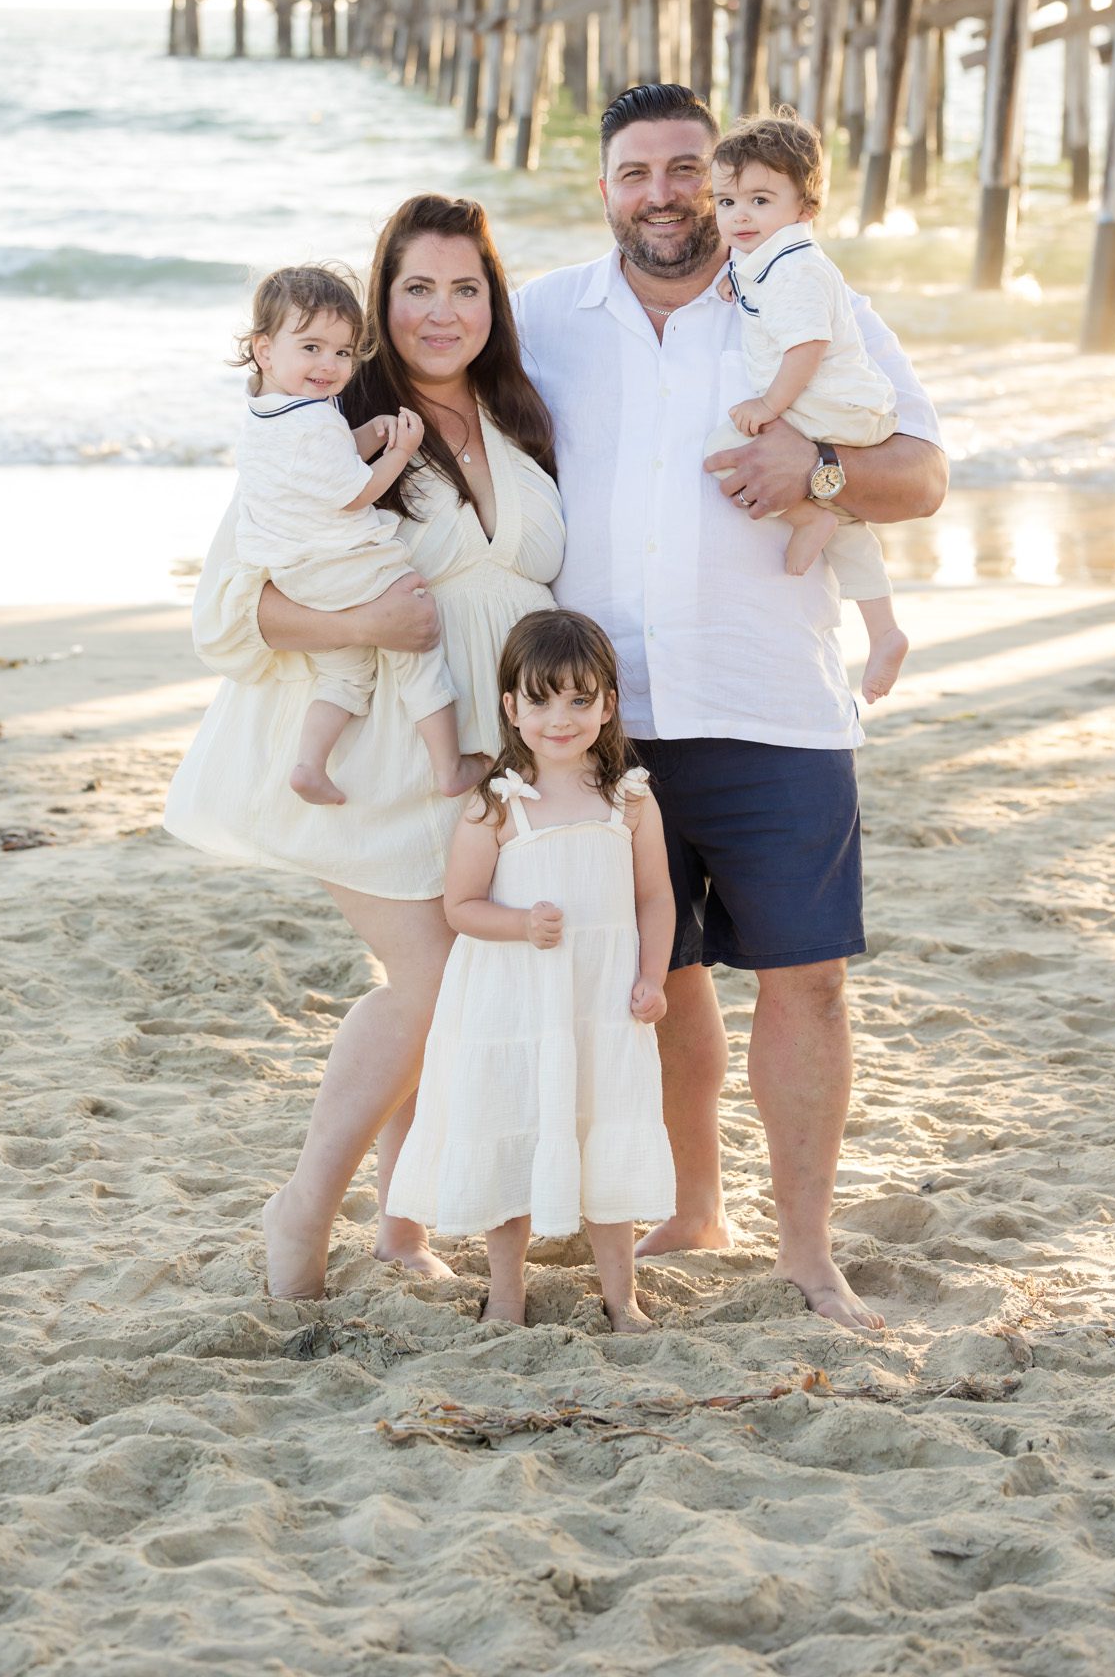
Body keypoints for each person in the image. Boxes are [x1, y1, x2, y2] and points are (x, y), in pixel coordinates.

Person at [514, 83, 949, 1332]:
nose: (662, 192)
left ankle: (807, 1251)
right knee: (668, 973)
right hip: (605, 720)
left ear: (724, 179)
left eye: (686, 169)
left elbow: (918, 471)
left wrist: (813, 467)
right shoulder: (546, 316)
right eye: (635, 171)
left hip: (774, 705)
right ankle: (696, 1203)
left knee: (804, 979)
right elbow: (431, 393)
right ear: (602, 187)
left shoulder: (804, 293)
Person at [164, 194, 564, 1300]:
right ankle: (303, 1205)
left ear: (495, 299)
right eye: (418, 287)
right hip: (381, 751)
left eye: (467, 286)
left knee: (461, 982)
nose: (444, 310)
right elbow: (238, 611)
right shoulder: (330, 422)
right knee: (433, 978)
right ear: (382, 302)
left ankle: (403, 1224)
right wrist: (366, 625)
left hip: (487, 758)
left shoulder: (524, 419)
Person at [387, 609, 675, 1332]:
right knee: (512, 1127)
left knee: (603, 1133)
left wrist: (653, 977)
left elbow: (655, 896)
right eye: (541, 700)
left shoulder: (629, 800)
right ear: (511, 707)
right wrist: (517, 924)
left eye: (580, 700)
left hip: (600, 1003)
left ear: (608, 705)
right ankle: (506, 1291)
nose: (561, 718)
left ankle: (621, 1296)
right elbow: (460, 906)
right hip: (515, 1005)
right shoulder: (498, 805)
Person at [231, 262, 485, 805]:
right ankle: (450, 767)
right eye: (312, 348)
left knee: (346, 672)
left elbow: (320, 462)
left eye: (343, 352)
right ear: (264, 349)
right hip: (346, 565)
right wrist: (398, 451)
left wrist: (367, 433)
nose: (330, 365)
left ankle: (309, 765)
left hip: (297, 573)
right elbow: (354, 493)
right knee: (418, 647)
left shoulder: (265, 412)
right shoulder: (315, 423)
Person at [707, 111, 909, 704]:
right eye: (725, 202)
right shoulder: (763, 258)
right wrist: (732, 284)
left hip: (835, 406)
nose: (738, 216)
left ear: (806, 208)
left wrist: (768, 405)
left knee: (721, 452)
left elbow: (806, 345)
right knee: (851, 527)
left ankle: (804, 514)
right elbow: (755, 287)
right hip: (846, 408)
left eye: (760, 200)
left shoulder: (797, 269)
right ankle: (885, 628)